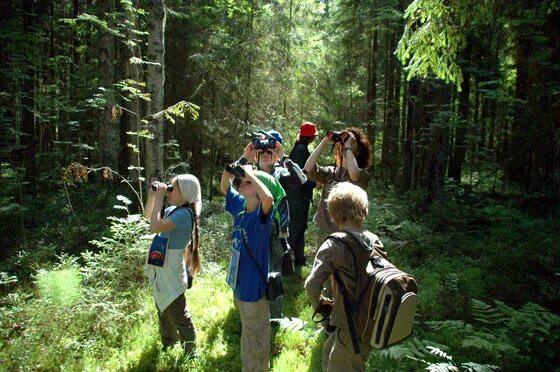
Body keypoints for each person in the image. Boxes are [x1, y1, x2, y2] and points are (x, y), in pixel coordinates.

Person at [304, 182, 385, 371]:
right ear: (364, 211)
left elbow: (311, 286)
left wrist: (322, 307)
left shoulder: (333, 246)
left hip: (348, 327)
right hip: (368, 322)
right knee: (328, 355)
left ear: (333, 215)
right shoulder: (375, 240)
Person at [237, 129, 306, 320]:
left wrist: (283, 157)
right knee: (253, 267)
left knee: (273, 273)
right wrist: (245, 157)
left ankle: (274, 317)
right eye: (263, 152)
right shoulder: (248, 174)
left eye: (271, 151)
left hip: (276, 232)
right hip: (253, 229)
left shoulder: (283, 173)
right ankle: (251, 308)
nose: (267, 156)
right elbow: (230, 180)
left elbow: (301, 180)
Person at [221, 165, 274, 371]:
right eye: (244, 180)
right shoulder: (241, 209)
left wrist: (251, 173)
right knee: (250, 334)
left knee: (255, 340)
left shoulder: (261, 218)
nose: (243, 182)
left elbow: (268, 198)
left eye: (249, 182)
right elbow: (225, 186)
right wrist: (234, 169)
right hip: (239, 286)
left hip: (253, 290)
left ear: (259, 191)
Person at [144, 174, 202, 354]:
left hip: (171, 270)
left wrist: (161, 198)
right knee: (163, 309)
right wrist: (152, 196)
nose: (169, 188)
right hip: (161, 266)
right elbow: (149, 218)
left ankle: (191, 352)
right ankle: (168, 344)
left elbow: (155, 227)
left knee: (178, 313)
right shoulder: (173, 210)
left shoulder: (184, 215)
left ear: (185, 194)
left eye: (173, 187)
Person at [304, 127, 372, 240]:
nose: (345, 146)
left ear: (358, 151)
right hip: (325, 231)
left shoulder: (362, 175)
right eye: (343, 144)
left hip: (348, 234)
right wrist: (324, 141)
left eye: (351, 143)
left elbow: (354, 175)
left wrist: (348, 147)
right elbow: (307, 168)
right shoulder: (330, 172)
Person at [286, 122, 318, 268]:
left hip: (300, 197)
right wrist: (314, 184)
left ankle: (300, 259)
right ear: (310, 137)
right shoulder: (300, 150)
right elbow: (297, 176)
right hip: (296, 197)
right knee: (294, 229)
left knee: (300, 228)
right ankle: (284, 262)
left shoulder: (301, 148)